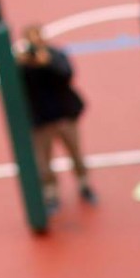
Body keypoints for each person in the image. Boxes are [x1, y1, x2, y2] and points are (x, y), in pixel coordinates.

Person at [16, 26, 94, 208]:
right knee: (43, 163)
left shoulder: (55, 55)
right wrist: (21, 63)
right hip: (40, 122)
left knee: (76, 154)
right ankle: (51, 193)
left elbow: (67, 74)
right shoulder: (23, 64)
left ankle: (84, 184)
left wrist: (48, 63)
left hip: (64, 117)